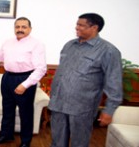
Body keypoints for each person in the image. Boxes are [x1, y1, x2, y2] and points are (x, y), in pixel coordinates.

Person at [48, 13, 123, 147]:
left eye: (81, 25)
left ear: (94, 27)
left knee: (79, 143)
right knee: (57, 142)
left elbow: (114, 82)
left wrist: (109, 110)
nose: (77, 28)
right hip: (58, 103)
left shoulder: (108, 51)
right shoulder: (69, 45)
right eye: (77, 24)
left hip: (82, 108)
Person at [0, 17, 47, 147]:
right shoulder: (8, 42)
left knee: (25, 113)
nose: (20, 29)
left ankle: (26, 141)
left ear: (30, 29)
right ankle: (6, 135)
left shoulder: (37, 44)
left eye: (24, 27)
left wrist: (24, 85)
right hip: (7, 78)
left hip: (25, 79)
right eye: (17, 27)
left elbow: (41, 69)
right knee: (7, 109)